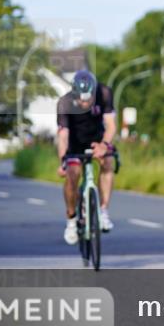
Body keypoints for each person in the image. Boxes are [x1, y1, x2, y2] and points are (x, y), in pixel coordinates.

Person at [56, 70, 117, 244]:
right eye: (81, 99)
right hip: (75, 142)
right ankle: (71, 220)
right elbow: (62, 136)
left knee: (108, 162)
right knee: (73, 174)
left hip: (98, 138)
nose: (85, 102)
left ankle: (103, 210)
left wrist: (104, 145)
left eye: (88, 99)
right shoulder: (64, 103)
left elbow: (111, 125)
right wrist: (63, 161)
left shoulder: (104, 93)